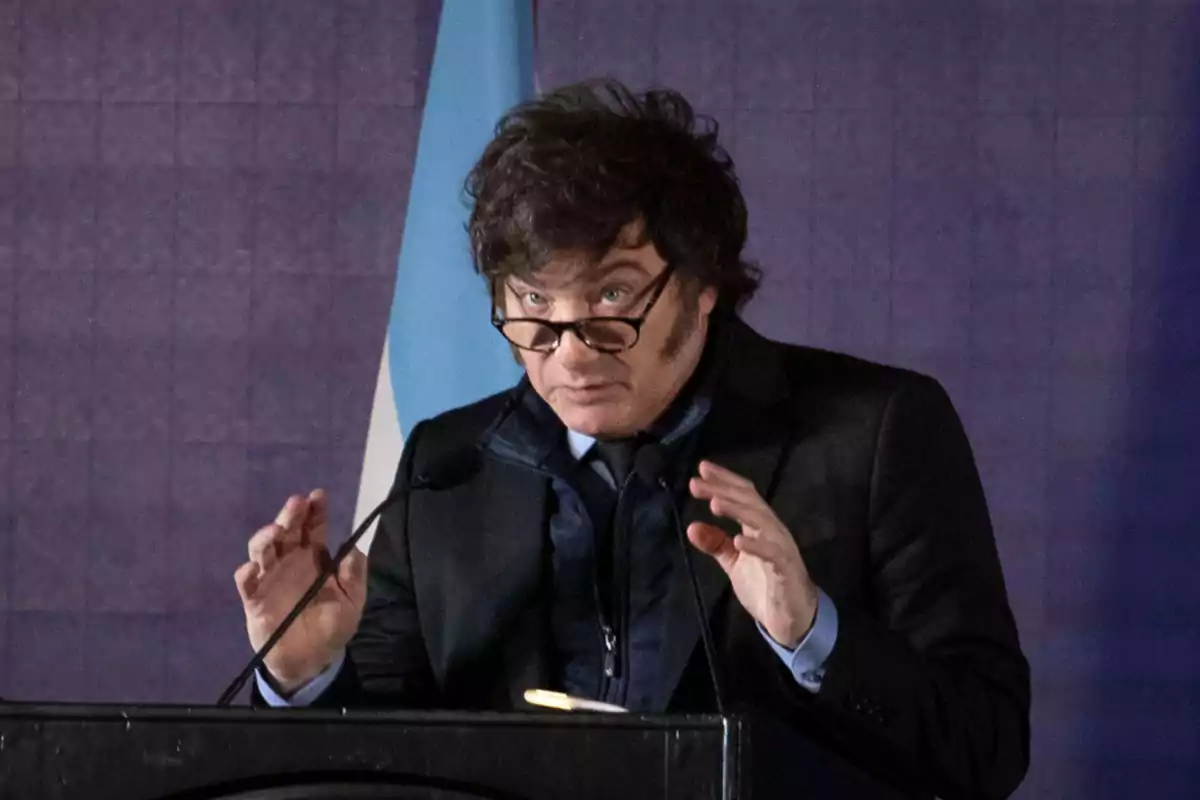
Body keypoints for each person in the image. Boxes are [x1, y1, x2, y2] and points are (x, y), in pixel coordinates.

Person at [234, 80, 1030, 799]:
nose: (572, 349)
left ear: (706, 283)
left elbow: (984, 751)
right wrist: (305, 673)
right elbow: (378, 769)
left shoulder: (873, 432)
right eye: (534, 302)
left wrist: (812, 632)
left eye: (613, 293)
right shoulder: (447, 465)